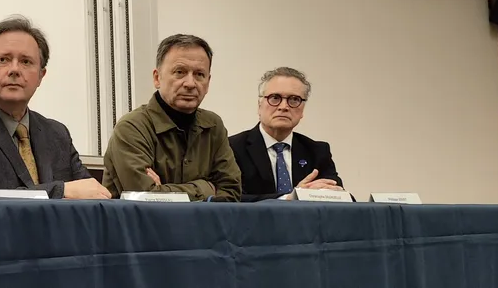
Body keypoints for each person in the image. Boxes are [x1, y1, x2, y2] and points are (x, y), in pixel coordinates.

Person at [0, 16, 109, 199]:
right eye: (3, 60)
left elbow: (92, 193)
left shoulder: (58, 134)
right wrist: (61, 191)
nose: (14, 69)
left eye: (26, 62)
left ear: (41, 76)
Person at [101, 34, 241, 201]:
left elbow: (231, 192)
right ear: (157, 78)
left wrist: (163, 191)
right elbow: (144, 197)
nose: (190, 83)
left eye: (199, 74)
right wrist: (207, 188)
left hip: (202, 226)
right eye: (180, 72)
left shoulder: (213, 126)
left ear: (208, 82)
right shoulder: (132, 127)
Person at [229, 67, 345, 201]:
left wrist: (329, 193)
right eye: (274, 98)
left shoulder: (317, 151)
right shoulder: (232, 148)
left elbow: (343, 197)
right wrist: (290, 198)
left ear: (302, 110)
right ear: (259, 106)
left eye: (294, 100)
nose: (283, 106)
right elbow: (231, 199)